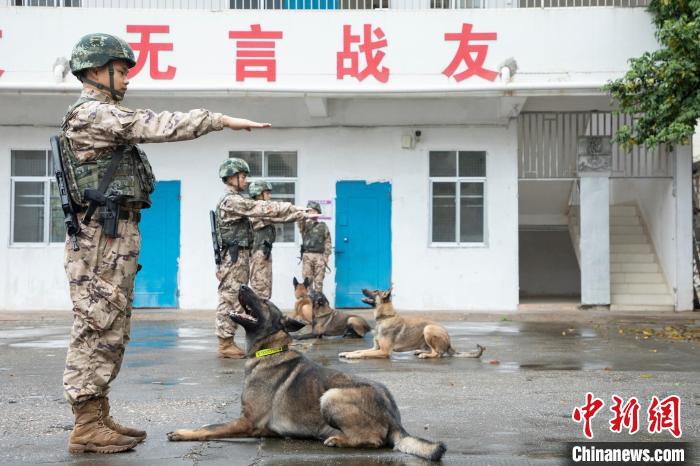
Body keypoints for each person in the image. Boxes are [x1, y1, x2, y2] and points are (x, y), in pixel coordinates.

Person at [61, 32, 271, 454]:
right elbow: (154, 125)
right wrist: (218, 119)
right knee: (97, 324)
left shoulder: (101, 115)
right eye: (121, 70)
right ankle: (85, 423)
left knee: (112, 326)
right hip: (100, 239)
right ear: (97, 71)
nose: (126, 79)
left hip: (113, 234)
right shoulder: (91, 114)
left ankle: (98, 414)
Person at [214, 161, 316, 359]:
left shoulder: (236, 199)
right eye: (242, 176)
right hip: (234, 256)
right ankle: (225, 342)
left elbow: (269, 213)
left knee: (236, 298)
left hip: (240, 256)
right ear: (231, 177)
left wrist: (299, 213)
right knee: (229, 297)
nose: (245, 180)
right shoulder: (231, 201)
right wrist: (296, 209)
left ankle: (228, 340)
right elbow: (261, 208)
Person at [248, 180, 303, 300]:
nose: (269, 196)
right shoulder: (255, 210)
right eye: (267, 193)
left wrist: (302, 214)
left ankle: (263, 315)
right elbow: (280, 217)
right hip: (258, 256)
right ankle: (258, 317)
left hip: (264, 254)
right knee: (259, 292)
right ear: (258, 194)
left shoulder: (261, 210)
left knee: (265, 290)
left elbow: (280, 217)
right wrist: (300, 213)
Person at [298, 201, 332, 292]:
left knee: (319, 282)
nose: (312, 213)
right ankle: (310, 303)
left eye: (314, 211)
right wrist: (304, 214)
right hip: (307, 256)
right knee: (307, 282)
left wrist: (326, 257)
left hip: (320, 256)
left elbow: (328, 243)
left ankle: (318, 304)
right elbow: (299, 220)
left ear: (318, 212)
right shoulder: (304, 225)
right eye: (310, 211)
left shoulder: (323, 226)